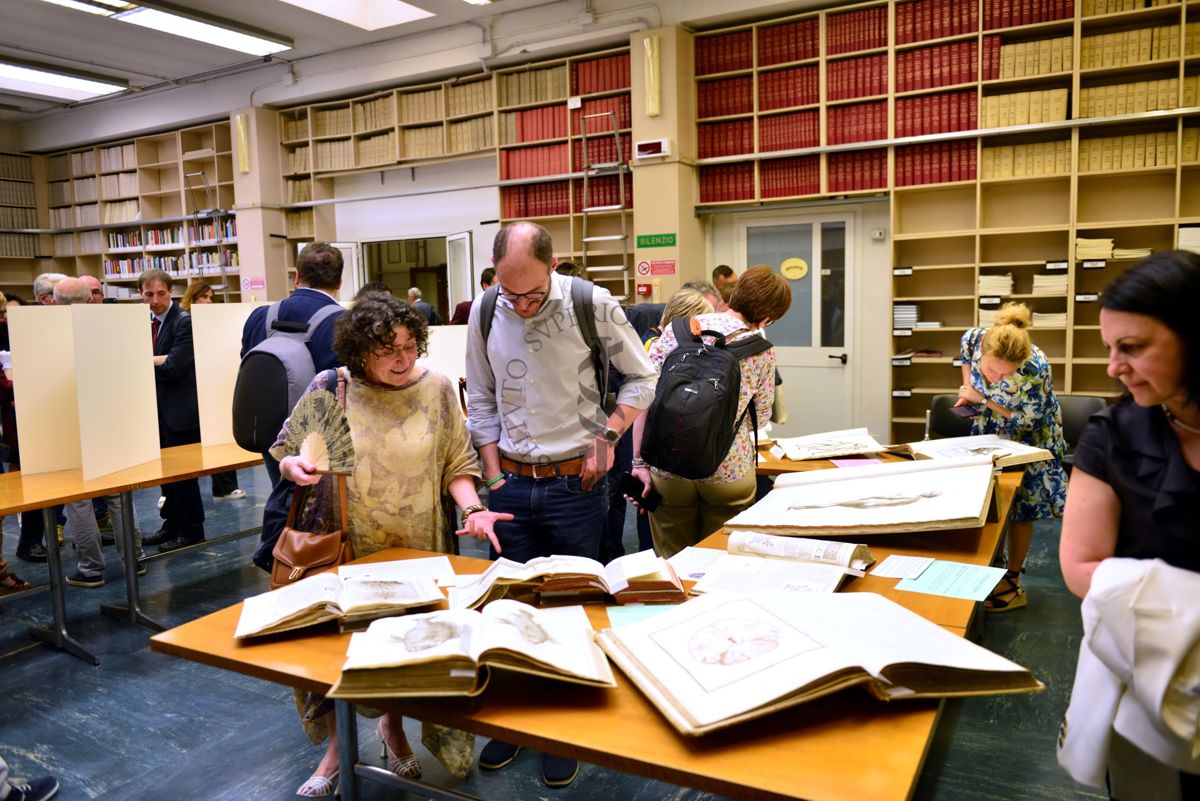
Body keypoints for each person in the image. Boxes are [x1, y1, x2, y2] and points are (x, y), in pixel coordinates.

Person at [275, 293, 508, 797]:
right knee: (340, 646)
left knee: (407, 646)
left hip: (419, 546)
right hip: (346, 547)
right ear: (359, 351)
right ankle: (338, 750)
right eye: (387, 350)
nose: (402, 359)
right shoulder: (330, 387)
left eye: (408, 346)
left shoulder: (439, 389)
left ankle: (394, 728)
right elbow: (290, 451)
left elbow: (457, 464)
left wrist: (472, 510)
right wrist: (293, 467)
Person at [465, 221, 656, 787]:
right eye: (509, 293)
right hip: (511, 486)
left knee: (570, 606)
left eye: (531, 293)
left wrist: (609, 437)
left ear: (553, 267)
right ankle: (517, 721)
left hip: (578, 483)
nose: (520, 306)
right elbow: (479, 396)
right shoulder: (484, 311)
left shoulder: (590, 303)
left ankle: (564, 725)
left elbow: (642, 379)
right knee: (513, 607)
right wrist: (494, 478)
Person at [1059, 250, 1200, 796]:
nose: (1115, 367)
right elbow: (1078, 566)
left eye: (1133, 348)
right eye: (1110, 349)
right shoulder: (1112, 435)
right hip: (1151, 670)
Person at [629, 265, 790, 558]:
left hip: (669, 463)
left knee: (671, 559)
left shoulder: (677, 331)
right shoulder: (761, 350)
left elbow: (642, 397)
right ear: (768, 317)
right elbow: (762, 416)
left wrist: (638, 462)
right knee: (719, 557)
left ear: (735, 294)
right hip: (727, 469)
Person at [956, 302, 1067, 612]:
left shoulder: (1036, 367)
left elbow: (1029, 421)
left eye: (1006, 374)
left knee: (1022, 509)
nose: (995, 377)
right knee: (990, 500)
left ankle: (1013, 581)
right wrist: (968, 387)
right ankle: (994, 566)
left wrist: (984, 400)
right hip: (990, 430)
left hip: (1030, 437)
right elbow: (965, 358)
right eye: (992, 369)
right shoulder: (975, 338)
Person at [44, 278, 148, 588]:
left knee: (79, 500)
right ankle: (135, 558)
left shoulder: (48, 333)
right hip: (110, 420)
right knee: (118, 496)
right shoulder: (112, 327)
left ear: (53, 301)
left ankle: (90, 568)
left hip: (69, 421)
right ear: (91, 298)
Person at [242, 242, 346, 486]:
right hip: (320, 442)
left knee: (281, 498)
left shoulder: (260, 316)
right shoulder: (344, 322)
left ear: (297, 276)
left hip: (269, 432)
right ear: (340, 281)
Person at [138, 269, 206, 552]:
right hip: (155, 412)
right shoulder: (143, 322)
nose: (155, 300)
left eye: (161, 294)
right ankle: (171, 524)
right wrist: (156, 360)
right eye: (148, 294)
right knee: (166, 477)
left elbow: (175, 368)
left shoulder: (183, 323)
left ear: (171, 293)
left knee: (184, 476)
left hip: (180, 412)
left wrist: (143, 360)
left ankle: (191, 529)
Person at [181, 280, 245, 501]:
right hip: (190, 391)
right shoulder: (186, 322)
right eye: (204, 297)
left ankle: (224, 487)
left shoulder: (212, 322)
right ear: (193, 298)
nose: (208, 301)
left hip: (211, 386)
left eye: (211, 297)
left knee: (219, 435)